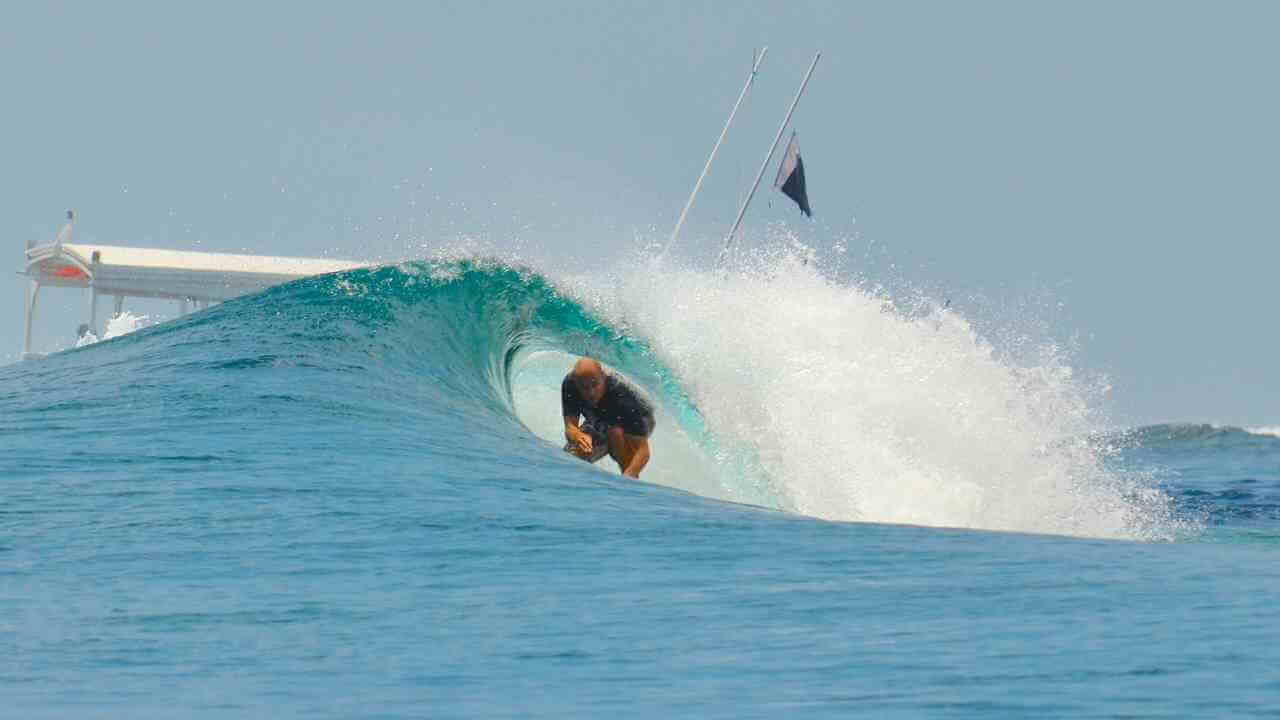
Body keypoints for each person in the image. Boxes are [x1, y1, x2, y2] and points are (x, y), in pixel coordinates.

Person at [562, 357, 655, 478]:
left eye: (595, 385)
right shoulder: (571, 385)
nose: (591, 392)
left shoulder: (623, 398)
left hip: (641, 417)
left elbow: (643, 452)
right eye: (584, 388)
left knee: (615, 435)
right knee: (571, 456)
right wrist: (578, 436)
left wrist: (628, 475)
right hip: (601, 419)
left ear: (603, 378)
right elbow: (570, 427)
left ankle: (627, 484)